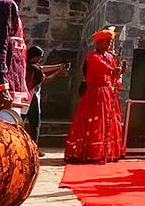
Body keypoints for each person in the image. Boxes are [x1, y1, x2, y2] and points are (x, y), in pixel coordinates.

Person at [65, 27, 126, 163]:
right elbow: (103, 68)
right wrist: (115, 70)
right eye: (107, 41)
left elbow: (114, 76)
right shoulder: (92, 56)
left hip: (108, 93)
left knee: (108, 123)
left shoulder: (110, 57)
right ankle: (89, 152)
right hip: (95, 94)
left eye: (110, 42)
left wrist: (120, 72)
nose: (110, 45)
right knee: (94, 123)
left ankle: (107, 151)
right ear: (99, 43)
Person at [25, 45, 68, 151]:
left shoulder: (25, 65)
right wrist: (58, 72)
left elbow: (42, 68)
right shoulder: (34, 68)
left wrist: (58, 66)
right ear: (35, 57)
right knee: (35, 125)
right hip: (32, 99)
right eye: (40, 57)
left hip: (24, 98)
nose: (41, 59)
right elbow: (45, 80)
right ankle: (33, 148)